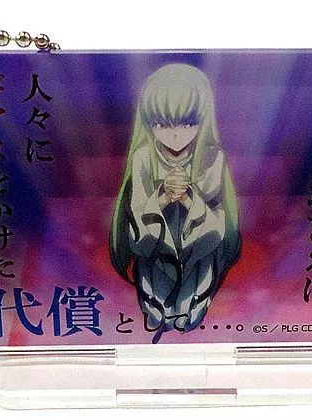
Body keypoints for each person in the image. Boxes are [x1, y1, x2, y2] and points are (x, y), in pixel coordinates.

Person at [110, 63, 241, 343]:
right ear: (149, 122)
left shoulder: (212, 158)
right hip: (156, 253)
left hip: (198, 254)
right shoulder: (143, 158)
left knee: (192, 300)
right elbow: (137, 222)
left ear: (202, 120)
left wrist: (188, 198)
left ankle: (188, 316)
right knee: (158, 299)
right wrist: (163, 197)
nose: (175, 135)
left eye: (188, 122)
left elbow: (217, 225)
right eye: (162, 123)